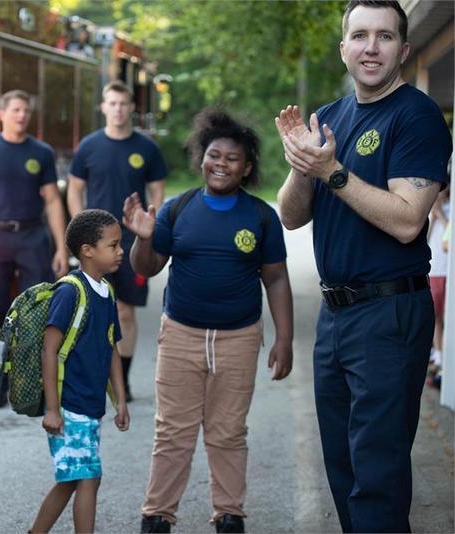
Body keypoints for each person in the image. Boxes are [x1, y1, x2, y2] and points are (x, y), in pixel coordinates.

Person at [275, 1, 452, 531]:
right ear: (344, 48)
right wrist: (302, 166)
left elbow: (405, 222)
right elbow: (290, 215)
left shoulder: (415, 115)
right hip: (336, 315)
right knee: (344, 467)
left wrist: (332, 170)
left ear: (404, 48)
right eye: (360, 36)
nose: (370, 47)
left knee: (376, 472)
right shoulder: (329, 116)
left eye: (384, 36)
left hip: (388, 311)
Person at [125, 109, 293, 533]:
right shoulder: (177, 210)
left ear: (247, 168)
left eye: (232, 158)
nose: (221, 163)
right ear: (201, 158)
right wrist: (143, 238)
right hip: (180, 334)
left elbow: (275, 279)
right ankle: (157, 515)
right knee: (172, 433)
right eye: (213, 154)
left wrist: (284, 339)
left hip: (239, 338)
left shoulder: (260, 217)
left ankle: (229, 514)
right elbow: (148, 268)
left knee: (228, 432)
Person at [0, 89, 69, 405]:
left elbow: (52, 201)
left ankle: (30, 384)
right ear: (2, 113)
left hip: (33, 238)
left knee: (35, 315)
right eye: (16, 110)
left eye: (26, 111)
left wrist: (61, 247)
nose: (21, 115)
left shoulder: (42, 153)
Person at [67, 80, 168, 402]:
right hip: (96, 241)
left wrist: (153, 228)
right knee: (93, 310)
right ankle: (96, 378)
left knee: (125, 311)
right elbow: (73, 189)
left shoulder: (146, 148)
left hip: (130, 243)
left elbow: (158, 192)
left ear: (131, 108)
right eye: (112, 103)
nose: (118, 109)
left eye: (123, 104)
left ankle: (121, 382)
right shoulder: (89, 146)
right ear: (103, 107)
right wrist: (81, 227)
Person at [31, 209, 130, 534]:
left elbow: (112, 347)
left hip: (89, 406)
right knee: (88, 477)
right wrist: (51, 408)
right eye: (113, 245)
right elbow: (49, 348)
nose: (120, 251)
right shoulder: (70, 291)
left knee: (72, 479)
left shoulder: (106, 291)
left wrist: (120, 400)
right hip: (69, 405)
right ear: (88, 250)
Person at [428, 188, 449, 369]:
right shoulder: (430, 211)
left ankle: (444, 356)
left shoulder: (450, 209)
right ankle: (438, 355)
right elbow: (424, 239)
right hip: (434, 271)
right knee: (435, 317)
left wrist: (441, 214)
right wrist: (433, 218)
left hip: (448, 272)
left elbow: (449, 240)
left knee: (446, 317)